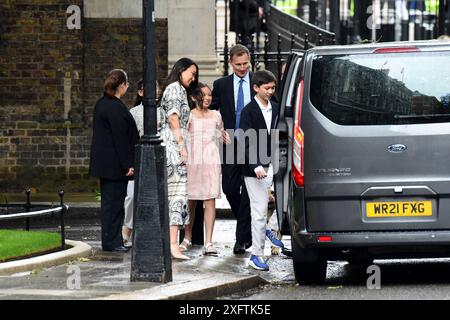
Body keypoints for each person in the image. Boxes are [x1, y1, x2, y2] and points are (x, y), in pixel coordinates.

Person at [211, 44, 254, 255]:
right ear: (230, 63)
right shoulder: (221, 85)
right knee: (229, 188)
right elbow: (210, 112)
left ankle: (241, 240)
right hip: (229, 142)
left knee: (248, 191)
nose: (242, 68)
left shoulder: (259, 81)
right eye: (238, 65)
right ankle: (248, 229)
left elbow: (272, 106)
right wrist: (218, 131)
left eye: (245, 63)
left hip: (255, 141)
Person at [89, 69, 139, 252]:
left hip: (108, 165)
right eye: (127, 84)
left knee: (112, 205)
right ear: (122, 85)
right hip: (114, 166)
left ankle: (112, 240)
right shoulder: (115, 107)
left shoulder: (103, 103)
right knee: (114, 206)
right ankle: (112, 242)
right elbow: (120, 139)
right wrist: (129, 164)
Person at [239, 70, 284, 271]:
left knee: (284, 202)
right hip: (254, 169)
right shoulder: (248, 111)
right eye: (267, 88)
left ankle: (269, 228)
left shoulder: (275, 108)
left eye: (273, 88)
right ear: (256, 88)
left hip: (274, 164)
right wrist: (255, 165)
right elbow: (245, 140)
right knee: (258, 212)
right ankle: (256, 255)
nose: (270, 91)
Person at [180, 83, 230, 256]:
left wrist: (224, 137)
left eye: (209, 95)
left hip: (210, 160)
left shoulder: (216, 115)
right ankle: (187, 238)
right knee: (191, 201)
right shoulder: (189, 116)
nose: (208, 98)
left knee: (210, 201)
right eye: (203, 95)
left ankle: (208, 242)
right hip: (193, 161)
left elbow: (219, 134)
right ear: (194, 98)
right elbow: (183, 139)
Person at [159, 57, 199, 260]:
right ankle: (173, 244)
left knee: (177, 194)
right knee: (177, 195)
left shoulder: (178, 89)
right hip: (174, 146)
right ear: (181, 70)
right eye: (191, 73)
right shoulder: (175, 89)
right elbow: (173, 117)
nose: (193, 78)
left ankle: (171, 242)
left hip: (175, 144)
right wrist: (182, 146)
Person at [122, 80, 144, 246]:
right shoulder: (133, 112)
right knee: (131, 196)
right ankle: (128, 227)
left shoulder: (164, 112)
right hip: (137, 157)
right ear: (141, 92)